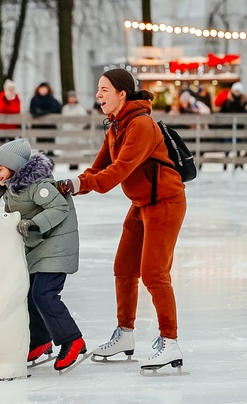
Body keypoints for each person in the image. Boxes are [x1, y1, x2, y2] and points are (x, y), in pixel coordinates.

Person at [55, 68, 187, 374]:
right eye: (98, 89)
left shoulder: (141, 125)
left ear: (122, 94)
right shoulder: (115, 127)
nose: (98, 95)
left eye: (104, 90)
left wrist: (82, 184)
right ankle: (125, 335)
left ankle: (170, 342)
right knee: (124, 269)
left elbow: (118, 172)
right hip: (142, 203)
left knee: (153, 273)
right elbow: (98, 167)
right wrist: (72, 182)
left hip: (165, 202)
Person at [0, 138, 86, 372]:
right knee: (30, 294)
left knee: (44, 293)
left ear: (14, 166)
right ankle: (40, 341)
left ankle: (72, 340)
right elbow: (11, 220)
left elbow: (60, 207)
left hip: (57, 245)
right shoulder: (11, 189)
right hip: (39, 247)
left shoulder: (39, 185)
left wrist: (35, 223)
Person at [29, 82, 61, 155]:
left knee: (50, 143)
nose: (43, 90)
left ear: (48, 90)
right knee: (40, 146)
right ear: (38, 89)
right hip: (38, 126)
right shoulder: (34, 99)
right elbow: (33, 110)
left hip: (50, 126)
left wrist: (42, 112)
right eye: (41, 88)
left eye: (45, 88)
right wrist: (41, 112)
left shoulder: (52, 100)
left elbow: (55, 110)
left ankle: (50, 153)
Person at [60, 90, 88, 170]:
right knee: (68, 148)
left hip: (76, 132)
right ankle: (69, 163)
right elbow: (62, 120)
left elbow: (84, 121)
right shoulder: (65, 108)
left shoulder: (80, 109)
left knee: (76, 148)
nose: (72, 99)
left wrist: (75, 122)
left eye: (73, 97)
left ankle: (76, 163)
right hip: (67, 132)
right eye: (70, 97)